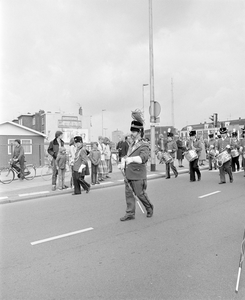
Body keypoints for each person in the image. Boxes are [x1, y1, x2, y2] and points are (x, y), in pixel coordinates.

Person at [118, 110, 154, 221]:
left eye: (133, 132)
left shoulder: (144, 144)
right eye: (131, 131)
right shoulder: (131, 144)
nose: (131, 134)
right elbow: (128, 156)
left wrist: (130, 159)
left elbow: (143, 158)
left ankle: (149, 207)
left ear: (139, 132)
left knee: (140, 194)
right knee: (129, 194)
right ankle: (130, 213)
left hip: (138, 174)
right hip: (129, 173)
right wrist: (123, 162)